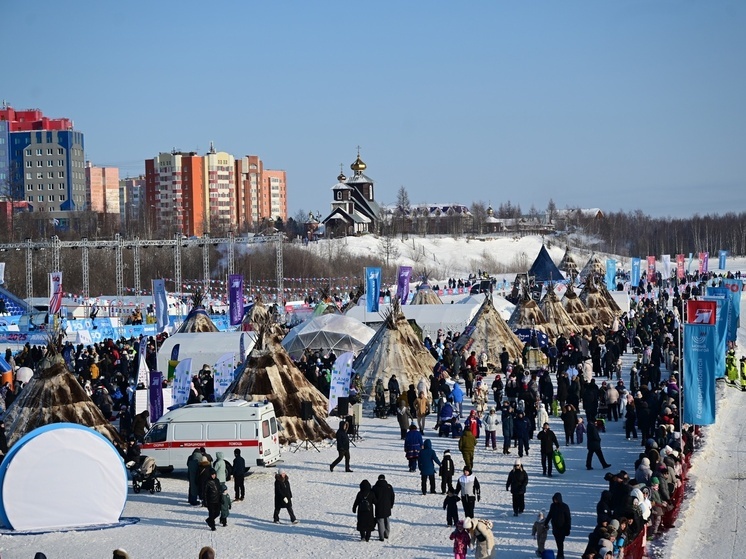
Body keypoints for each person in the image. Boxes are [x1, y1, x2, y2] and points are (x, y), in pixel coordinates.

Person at [544, 492, 572, 559]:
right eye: (554, 499)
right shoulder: (553, 506)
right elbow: (550, 514)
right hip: (555, 527)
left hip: (563, 527)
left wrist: (568, 528)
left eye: (556, 499)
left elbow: (568, 518)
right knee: (558, 541)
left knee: (560, 541)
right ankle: (560, 554)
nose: (555, 501)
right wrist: (546, 522)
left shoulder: (565, 507)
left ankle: (560, 555)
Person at [372, 474, 395, 541]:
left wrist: (376, 503)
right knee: (387, 520)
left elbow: (373, 498)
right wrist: (391, 504)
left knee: (380, 521)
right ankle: (387, 534)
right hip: (387, 506)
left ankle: (381, 536)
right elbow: (392, 496)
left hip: (379, 506)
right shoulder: (389, 487)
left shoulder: (375, 487)